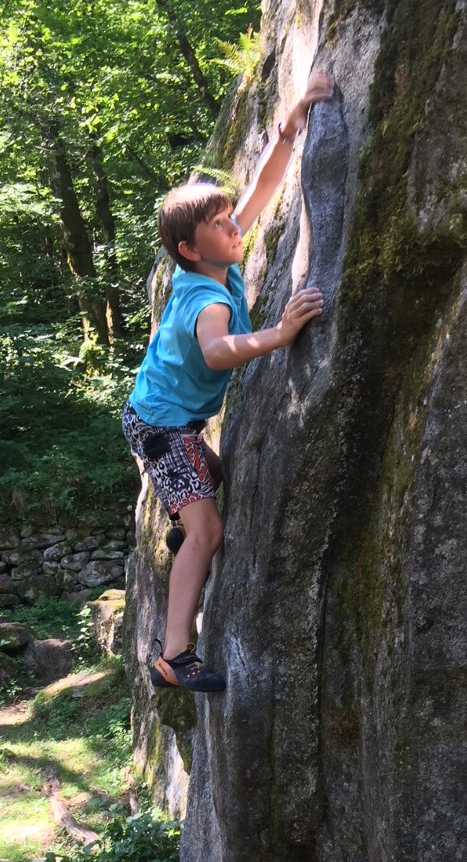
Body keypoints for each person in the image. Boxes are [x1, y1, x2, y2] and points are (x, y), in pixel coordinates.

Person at [123, 69, 335, 694]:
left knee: (210, 483)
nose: (234, 228)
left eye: (228, 220)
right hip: (161, 426)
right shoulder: (203, 300)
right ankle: (174, 657)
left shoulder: (218, 261)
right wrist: (279, 334)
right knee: (208, 528)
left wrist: (289, 124)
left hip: (169, 422)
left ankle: (182, 515)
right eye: (220, 226)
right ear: (191, 249)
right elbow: (217, 353)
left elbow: (262, 192)